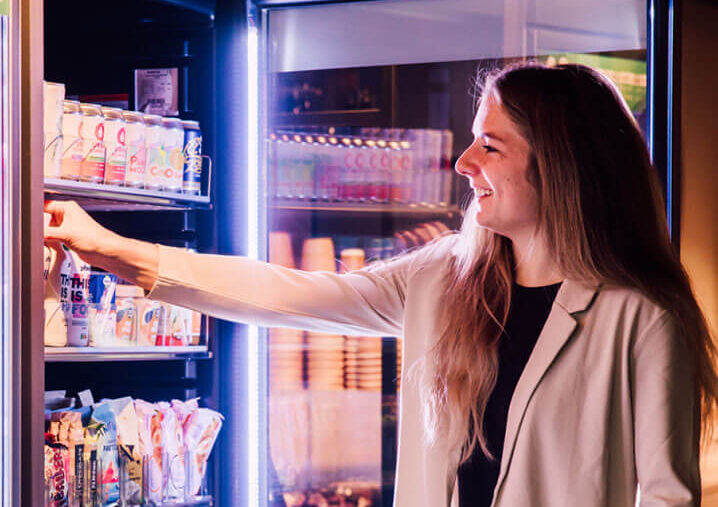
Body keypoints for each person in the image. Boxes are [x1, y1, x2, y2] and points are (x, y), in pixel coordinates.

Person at [44, 62, 718, 506]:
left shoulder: (642, 316)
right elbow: (286, 292)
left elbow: (667, 497)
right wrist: (109, 248)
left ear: (564, 164)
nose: (462, 161)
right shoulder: (443, 275)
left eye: (492, 144)